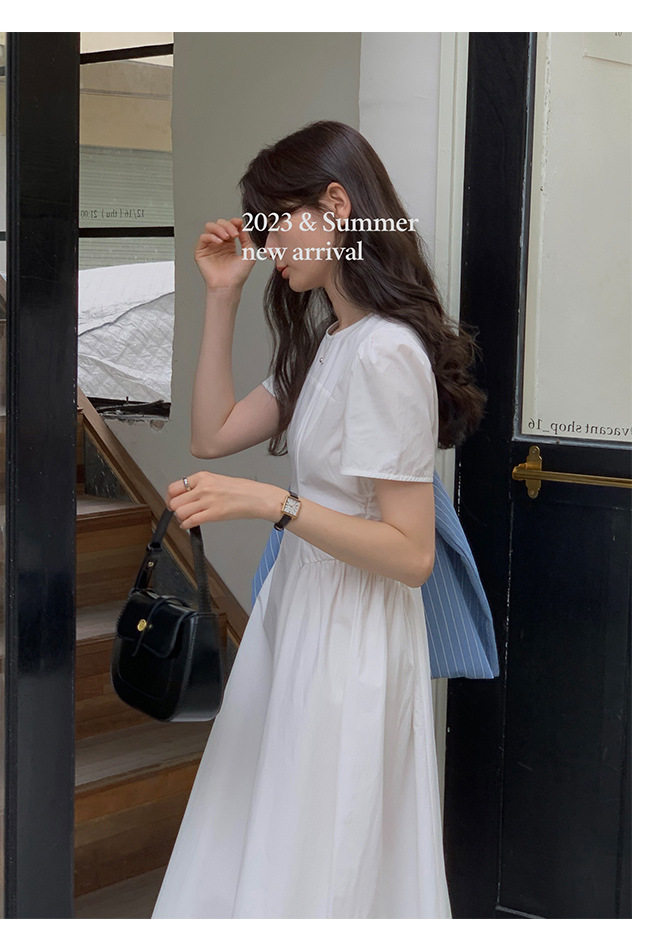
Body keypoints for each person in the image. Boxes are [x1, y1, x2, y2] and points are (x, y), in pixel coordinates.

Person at [151, 120, 486, 919]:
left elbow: (411, 553)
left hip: (354, 632)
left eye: (277, 222)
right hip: (302, 612)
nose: (268, 243)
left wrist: (274, 502)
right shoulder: (330, 343)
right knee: (276, 833)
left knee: (324, 847)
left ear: (336, 205)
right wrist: (223, 295)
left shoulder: (387, 352)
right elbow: (211, 433)